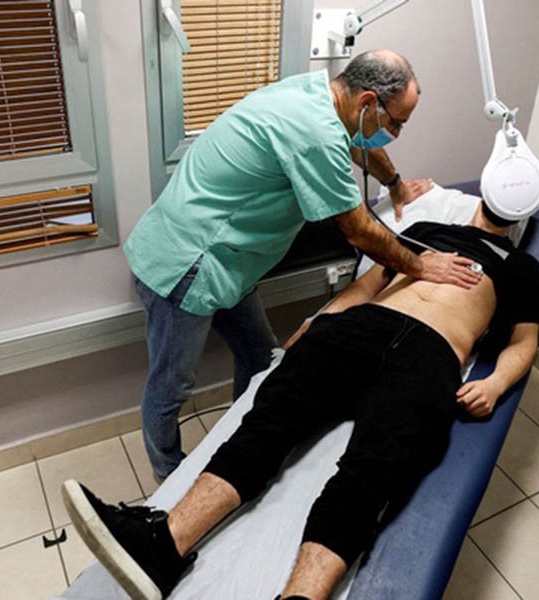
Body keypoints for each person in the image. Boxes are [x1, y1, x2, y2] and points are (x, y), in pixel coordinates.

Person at [63, 198, 539, 600]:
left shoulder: (524, 269)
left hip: (433, 352)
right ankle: (161, 546)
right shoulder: (424, 228)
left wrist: (493, 383)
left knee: (374, 468)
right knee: (269, 422)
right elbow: (367, 285)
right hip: (359, 328)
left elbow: (523, 341)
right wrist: (322, 319)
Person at [124, 49, 481, 481]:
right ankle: (169, 477)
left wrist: (397, 185)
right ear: (368, 101)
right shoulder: (314, 132)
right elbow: (360, 231)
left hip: (230, 264)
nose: (397, 134)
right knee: (171, 387)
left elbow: (356, 142)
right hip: (187, 263)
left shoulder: (318, 92)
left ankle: (237, 446)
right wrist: (421, 266)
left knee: (261, 357)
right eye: (396, 123)